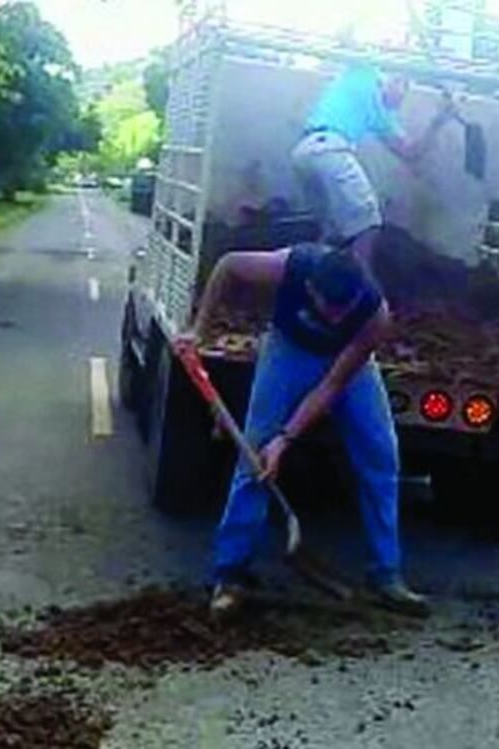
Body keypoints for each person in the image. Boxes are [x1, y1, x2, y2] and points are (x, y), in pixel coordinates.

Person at [176, 242, 426, 618]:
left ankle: (386, 574)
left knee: (380, 455)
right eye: (330, 308)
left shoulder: (375, 314)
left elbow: (331, 385)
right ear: (311, 289)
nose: (337, 317)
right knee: (256, 454)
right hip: (288, 349)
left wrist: (287, 438)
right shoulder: (289, 267)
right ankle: (230, 572)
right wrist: (199, 330)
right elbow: (226, 265)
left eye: (345, 311)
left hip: (349, 366)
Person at [292, 64, 455, 265]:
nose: (403, 94)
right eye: (403, 84)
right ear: (389, 78)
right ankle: (363, 285)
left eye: (407, 89)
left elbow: (410, 152)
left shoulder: (384, 116)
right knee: (368, 221)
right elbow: (349, 40)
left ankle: (312, 278)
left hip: (306, 152)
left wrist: (437, 122)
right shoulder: (363, 73)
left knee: (330, 229)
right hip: (328, 148)